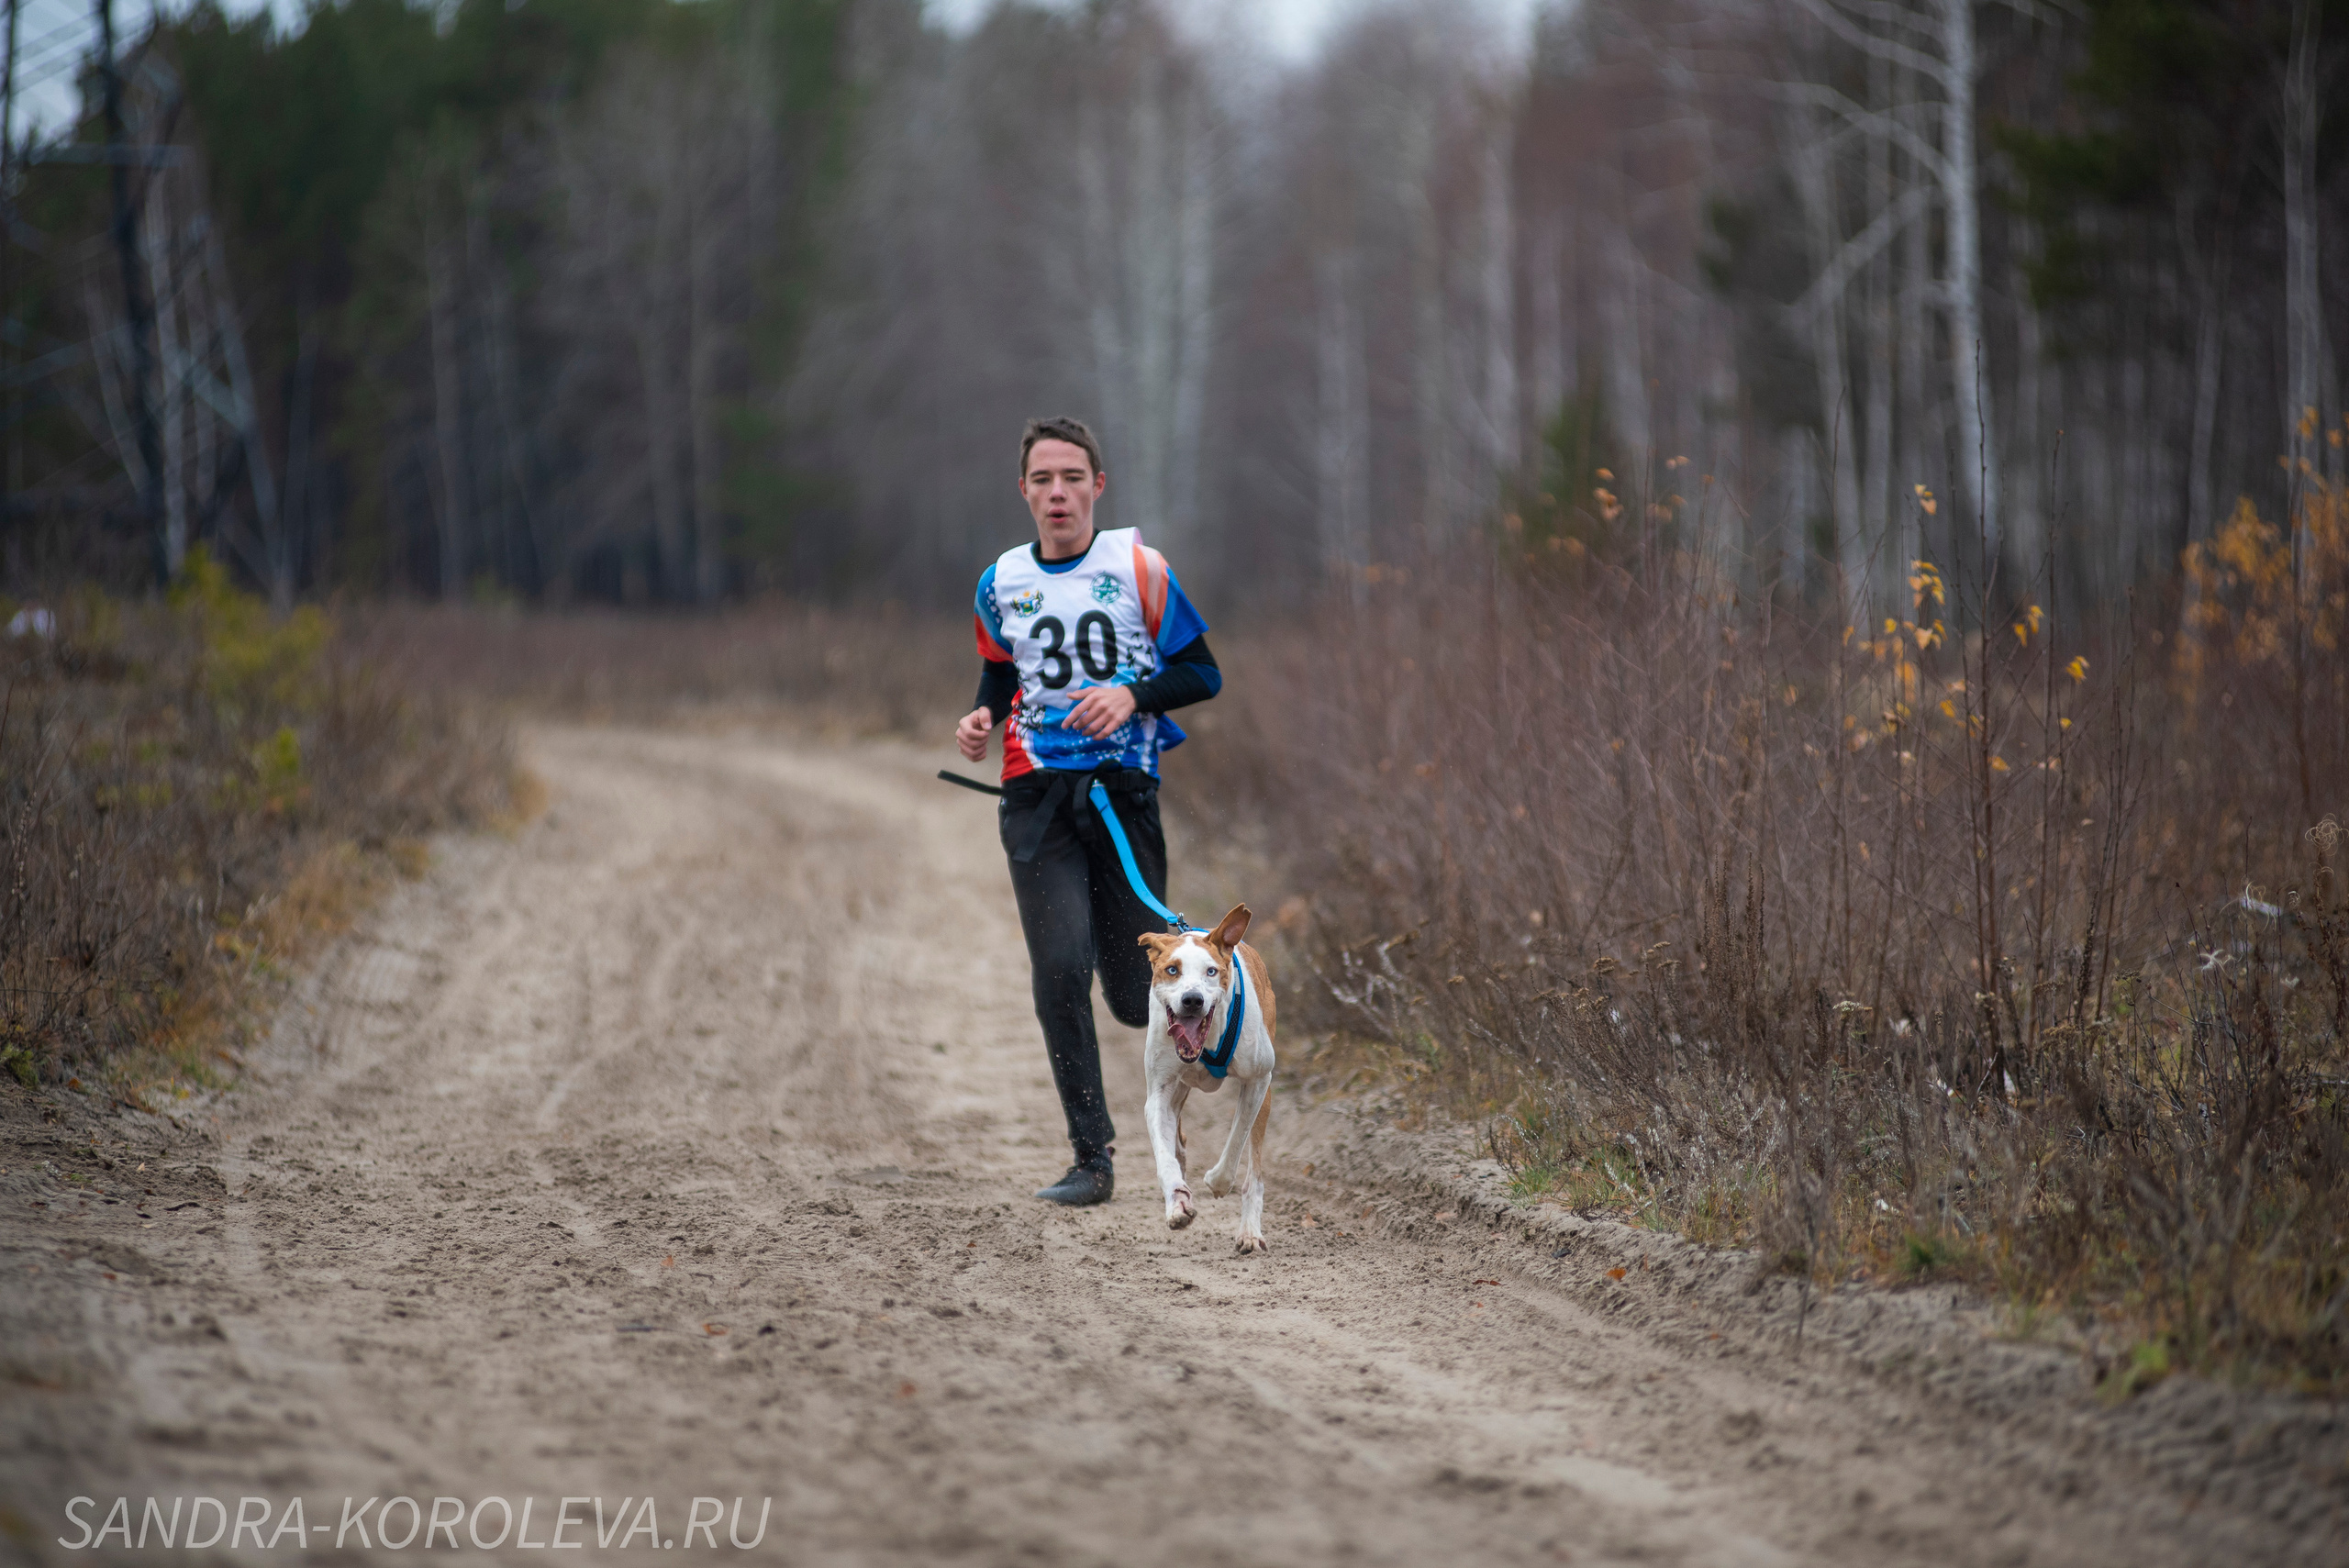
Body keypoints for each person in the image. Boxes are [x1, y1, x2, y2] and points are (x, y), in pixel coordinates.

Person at [956, 417, 1221, 1206]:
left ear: (1097, 486)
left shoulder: (1139, 567)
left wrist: (1132, 694)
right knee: (1059, 968)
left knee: (1125, 985)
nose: (1058, 492)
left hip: (1124, 798)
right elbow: (1001, 674)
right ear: (1025, 491)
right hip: (1036, 796)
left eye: (1073, 477)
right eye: (1043, 479)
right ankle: (1092, 1157)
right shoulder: (999, 580)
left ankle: (1191, 1077)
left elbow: (1202, 672)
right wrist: (981, 718)